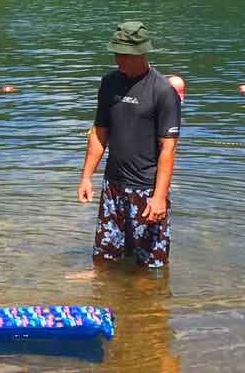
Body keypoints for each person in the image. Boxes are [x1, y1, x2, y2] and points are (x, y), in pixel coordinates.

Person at [77, 21, 181, 269]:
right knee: (103, 260)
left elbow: (168, 149)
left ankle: (145, 306)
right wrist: (86, 177)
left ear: (141, 53)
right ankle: (103, 296)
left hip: (146, 190)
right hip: (113, 187)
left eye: (124, 55)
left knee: (151, 269)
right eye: (116, 53)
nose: (118, 60)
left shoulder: (163, 91)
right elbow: (99, 133)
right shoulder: (109, 83)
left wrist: (159, 197)